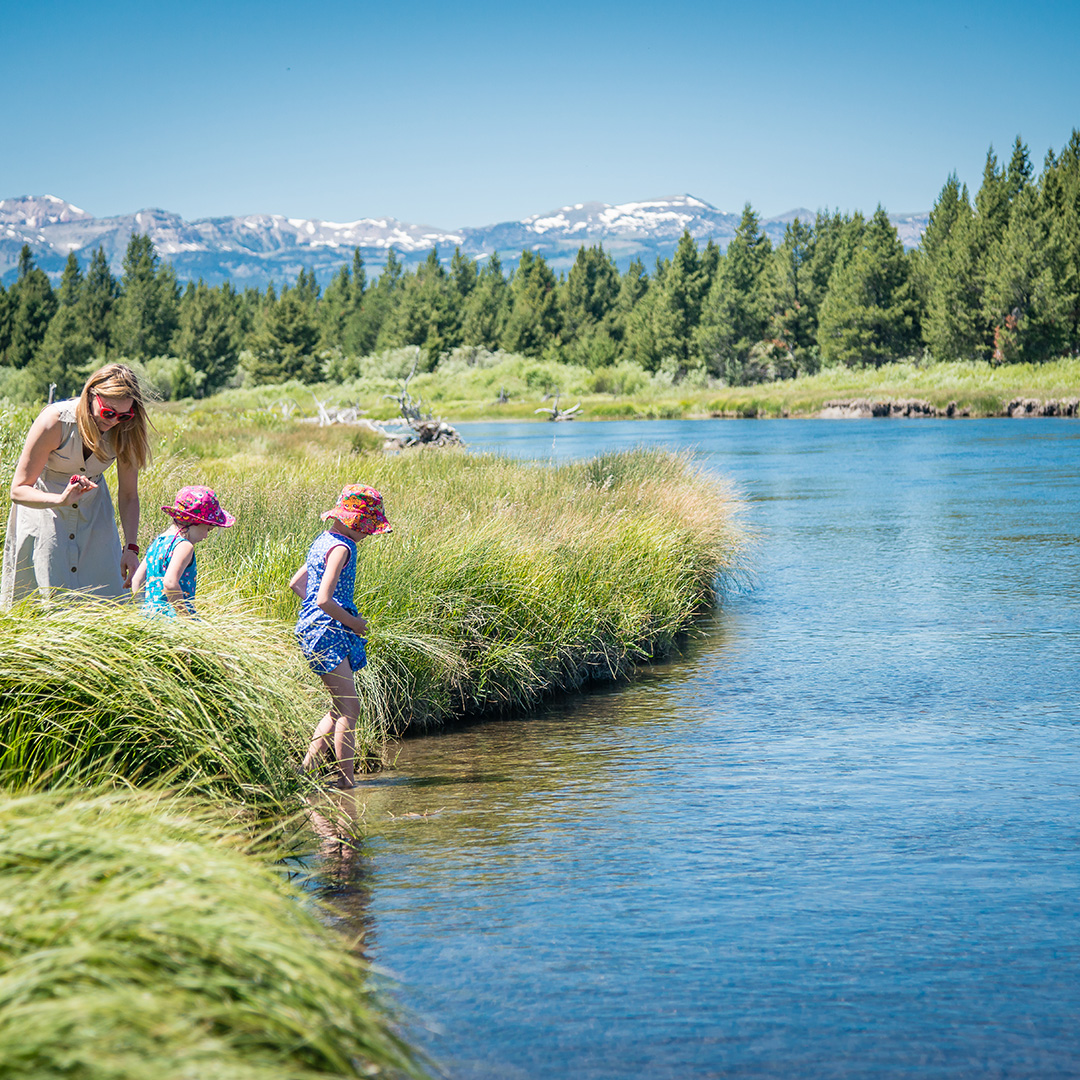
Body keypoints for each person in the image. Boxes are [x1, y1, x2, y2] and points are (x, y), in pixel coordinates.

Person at [2, 363, 149, 606]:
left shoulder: (126, 431)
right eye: (108, 413)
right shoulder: (55, 422)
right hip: (44, 510)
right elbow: (18, 490)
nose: (114, 422)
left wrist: (131, 548)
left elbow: (129, 495)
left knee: (105, 597)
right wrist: (60, 500)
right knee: (48, 598)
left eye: (124, 415)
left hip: (95, 517)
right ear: (91, 394)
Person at [290, 484, 391, 789]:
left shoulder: (324, 540)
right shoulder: (343, 548)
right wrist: (352, 622)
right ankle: (346, 782)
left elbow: (297, 583)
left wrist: (316, 617)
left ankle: (305, 771)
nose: (369, 534)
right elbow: (323, 599)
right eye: (367, 528)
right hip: (327, 631)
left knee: (339, 707)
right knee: (351, 708)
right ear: (354, 522)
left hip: (315, 629)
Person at [130, 486, 236, 617]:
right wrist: (186, 619)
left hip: (150, 618)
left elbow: (137, 581)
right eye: (208, 529)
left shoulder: (158, 542)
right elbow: (170, 583)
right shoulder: (184, 546)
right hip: (173, 622)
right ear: (195, 522)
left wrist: (145, 611)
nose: (206, 536)